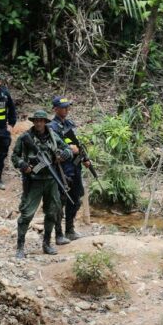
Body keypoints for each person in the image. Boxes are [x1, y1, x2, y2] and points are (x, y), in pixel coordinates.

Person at [11, 110, 72, 259]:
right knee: (27, 214)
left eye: (41, 120)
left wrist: (65, 154)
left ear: (45, 122)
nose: (38, 123)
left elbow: (67, 149)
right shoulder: (26, 137)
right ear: (33, 122)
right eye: (36, 120)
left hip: (51, 180)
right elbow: (14, 156)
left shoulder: (52, 136)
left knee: (52, 212)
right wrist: (23, 164)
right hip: (33, 181)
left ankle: (47, 243)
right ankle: (20, 247)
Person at [49, 96, 91, 243]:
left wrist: (85, 158)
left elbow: (77, 144)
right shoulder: (52, 127)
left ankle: (70, 230)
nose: (66, 109)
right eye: (63, 107)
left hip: (75, 167)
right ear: (55, 109)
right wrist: (69, 150)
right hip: (62, 169)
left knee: (76, 199)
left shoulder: (69, 124)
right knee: (60, 202)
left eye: (68, 107)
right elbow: (54, 149)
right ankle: (59, 234)